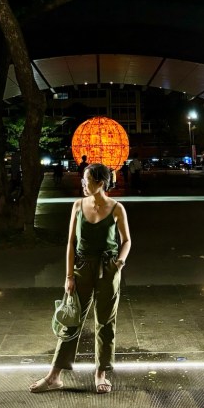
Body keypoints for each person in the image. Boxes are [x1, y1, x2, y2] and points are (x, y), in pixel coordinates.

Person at [30, 162, 131, 395]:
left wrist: (119, 264)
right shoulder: (77, 205)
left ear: (100, 183)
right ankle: (54, 376)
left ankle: (101, 373)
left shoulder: (117, 208)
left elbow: (126, 240)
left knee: (106, 322)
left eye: (87, 180)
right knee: (71, 320)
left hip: (108, 269)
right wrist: (69, 276)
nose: (83, 183)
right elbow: (70, 243)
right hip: (82, 268)